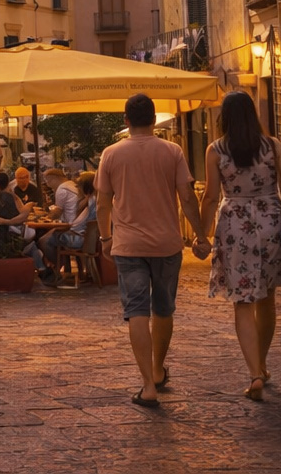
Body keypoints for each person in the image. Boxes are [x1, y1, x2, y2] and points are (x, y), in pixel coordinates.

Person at [96, 93, 210, 407]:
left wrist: (106, 238)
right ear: (154, 119)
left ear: (126, 120)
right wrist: (200, 236)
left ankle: (148, 385)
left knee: (136, 311)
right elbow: (187, 198)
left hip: (129, 245)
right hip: (167, 244)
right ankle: (158, 369)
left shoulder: (111, 154)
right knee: (163, 308)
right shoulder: (172, 151)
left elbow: (103, 203)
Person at [198, 90, 281, 402]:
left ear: (224, 118)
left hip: (235, 226)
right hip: (270, 222)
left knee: (243, 302)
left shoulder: (215, 150)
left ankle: (254, 372)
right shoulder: (273, 145)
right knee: (267, 298)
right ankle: (263, 364)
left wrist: (201, 235)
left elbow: (211, 196)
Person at [0, 170, 52, 284]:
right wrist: (13, 219)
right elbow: (23, 215)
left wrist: (3, 222)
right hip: (16, 236)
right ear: (8, 183)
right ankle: (43, 269)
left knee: (31, 246)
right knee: (32, 245)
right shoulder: (14, 197)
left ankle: (42, 268)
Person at [38, 168, 95, 273]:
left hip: (77, 238)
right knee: (52, 234)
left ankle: (57, 269)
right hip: (81, 236)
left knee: (44, 240)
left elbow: (61, 215)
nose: (77, 187)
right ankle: (65, 269)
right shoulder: (91, 200)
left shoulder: (90, 202)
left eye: (79, 185)